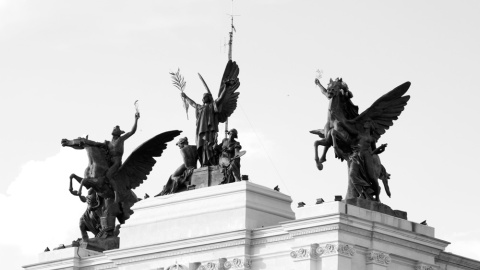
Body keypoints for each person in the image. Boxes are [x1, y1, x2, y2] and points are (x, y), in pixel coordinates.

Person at [83, 112, 140, 202]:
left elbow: (132, 132)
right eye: (114, 128)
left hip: (116, 163)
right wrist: (86, 142)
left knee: (108, 175)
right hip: (108, 162)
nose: (114, 129)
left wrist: (136, 120)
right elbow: (96, 144)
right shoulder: (108, 143)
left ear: (119, 133)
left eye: (116, 129)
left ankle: (116, 193)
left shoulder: (121, 139)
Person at [182, 91, 227, 166]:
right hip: (201, 130)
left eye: (204, 97)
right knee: (201, 146)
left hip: (210, 130)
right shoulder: (200, 107)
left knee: (210, 145)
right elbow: (193, 104)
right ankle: (204, 162)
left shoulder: (212, 105)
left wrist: (225, 88)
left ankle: (211, 161)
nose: (203, 99)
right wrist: (186, 97)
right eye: (202, 98)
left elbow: (221, 98)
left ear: (209, 98)